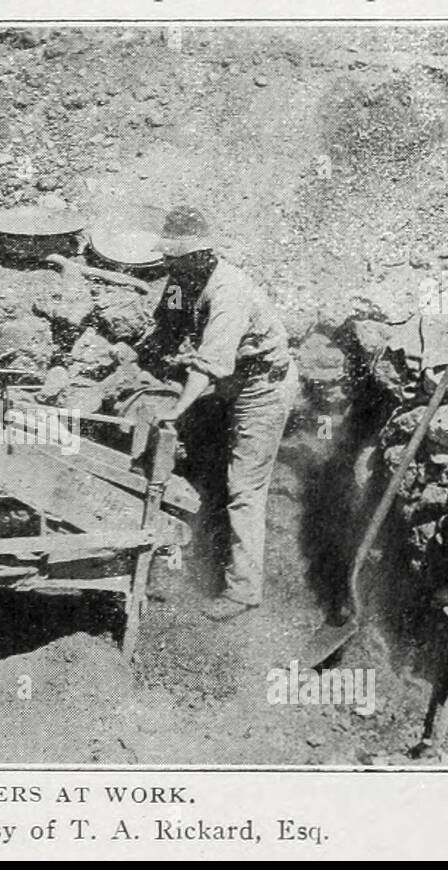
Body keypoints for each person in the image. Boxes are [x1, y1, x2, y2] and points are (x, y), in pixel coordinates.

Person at [151, 207, 297, 621]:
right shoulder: (186, 280)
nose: (167, 266)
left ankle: (244, 590)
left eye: (174, 260)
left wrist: (175, 411)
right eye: (167, 258)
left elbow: (211, 364)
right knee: (199, 461)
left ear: (199, 257)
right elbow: (171, 323)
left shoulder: (228, 293)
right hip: (233, 379)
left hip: (262, 388)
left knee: (244, 489)